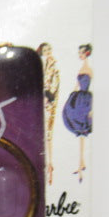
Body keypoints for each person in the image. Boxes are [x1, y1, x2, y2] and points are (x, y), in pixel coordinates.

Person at [62, 44, 93, 182]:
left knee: (82, 131)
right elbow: (77, 85)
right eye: (79, 53)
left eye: (81, 53)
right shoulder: (82, 68)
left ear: (86, 53)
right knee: (80, 134)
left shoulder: (90, 69)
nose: (79, 55)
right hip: (79, 98)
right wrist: (71, 97)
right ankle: (81, 163)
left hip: (85, 100)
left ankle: (82, 163)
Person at [36, 43, 59, 185]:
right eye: (45, 50)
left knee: (49, 134)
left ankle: (50, 165)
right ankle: (46, 166)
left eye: (49, 49)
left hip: (49, 103)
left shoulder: (54, 66)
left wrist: (48, 97)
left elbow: (54, 86)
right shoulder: (42, 66)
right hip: (41, 102)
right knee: (42, 134)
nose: (48, 52)